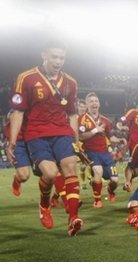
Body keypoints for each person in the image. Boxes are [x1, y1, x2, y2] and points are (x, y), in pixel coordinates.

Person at [6, 41, 83, 236]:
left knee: (70, 166)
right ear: (44, 55)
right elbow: (18, 112)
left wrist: (76, 140)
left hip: (62, 132)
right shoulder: (27, 78)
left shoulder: (70, 82)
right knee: (49, 174)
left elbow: (73, 114)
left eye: (62, 58)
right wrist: (12, 142)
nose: (58, 61)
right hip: (36, 133)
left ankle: (73, 217)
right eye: (54, 57)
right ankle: (44, 204)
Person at [78, 92, 126, 207]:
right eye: (91, 101)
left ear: (99, 104)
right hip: (91, 152)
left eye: (96, 101)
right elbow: (80, 136)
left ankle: (110, 190)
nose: (94, 103)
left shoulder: (106, 120)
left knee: (115, 181)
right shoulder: (82, 119)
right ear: (87, 105)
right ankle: (97, 200)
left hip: (105, 154)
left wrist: (119, 140)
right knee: (98, 171)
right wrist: (96, 130)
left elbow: (111, 137)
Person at [4, 110, 31, 197]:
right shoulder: (17, 107)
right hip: (18, 142)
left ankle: (55, 198)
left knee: (51, 171)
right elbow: (11, 118)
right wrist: (10, 143)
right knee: (24, 175)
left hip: (36, 139)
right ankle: (17, 180)